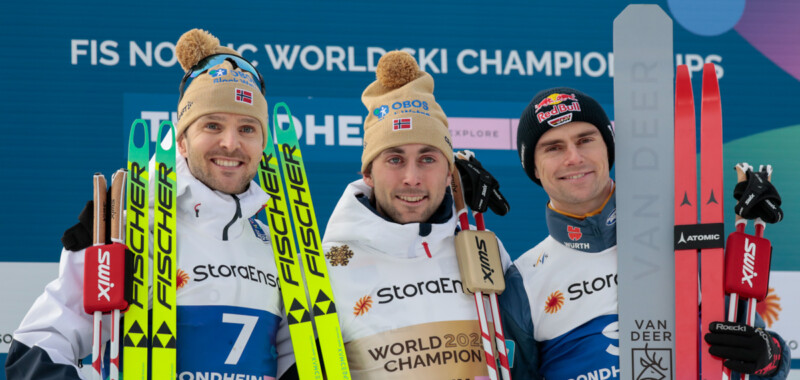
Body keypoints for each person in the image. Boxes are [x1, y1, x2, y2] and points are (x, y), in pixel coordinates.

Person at [6, 29, 297, 380]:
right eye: (212, 125)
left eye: (248, 129)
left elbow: (297, 358)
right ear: (182, 141)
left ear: (263, 144)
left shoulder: (280, 246)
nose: (230, 143)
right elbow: (37, 347)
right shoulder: (127, 227)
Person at [499, 87, 792, 379]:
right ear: (534, 167)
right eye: (553, 147)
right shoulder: (523, 282)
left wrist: (768, 355)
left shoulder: (687, 240)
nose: (573, 158)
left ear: (608, 148)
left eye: (585, 140)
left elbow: (758, 352)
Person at [320, 51, 511, 379]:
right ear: (368, 172)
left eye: (428, 159)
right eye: (394, 159)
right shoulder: (327, 266)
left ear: (450, 171)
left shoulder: (485, 252)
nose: (412, 177)